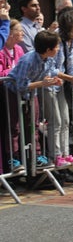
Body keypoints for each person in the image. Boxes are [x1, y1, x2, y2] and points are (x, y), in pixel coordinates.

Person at [5, 30, 63, 170]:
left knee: (34, 125)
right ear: (48, 49)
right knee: (15, 127)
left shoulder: (48, 59)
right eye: (56, 47)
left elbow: (51, 72)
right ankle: (13, 159)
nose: (58, 49)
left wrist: (56, 80)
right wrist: (42, 84)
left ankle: (36, 156)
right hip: (13, 93)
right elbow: (20, 86)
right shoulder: (28, 60)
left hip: (32, 93)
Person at [43, 7, 73, 169]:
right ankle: (56, 155)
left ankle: (66, 154)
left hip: (63, 86)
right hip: (49, 85)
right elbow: (51, 67)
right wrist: (69, 78)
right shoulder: (56, 41)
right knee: (56, 121)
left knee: (66, 120)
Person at [0, 19, 25, 172]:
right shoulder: (1, 51)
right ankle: (12, 158)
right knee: (12, 127)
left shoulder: (19, 49)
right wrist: (13, 73)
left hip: (19, 93)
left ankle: (21, 157)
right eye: (19, 30)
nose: (21, 33)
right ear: (9, 33)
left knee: (21, 126)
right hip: (5, 94)